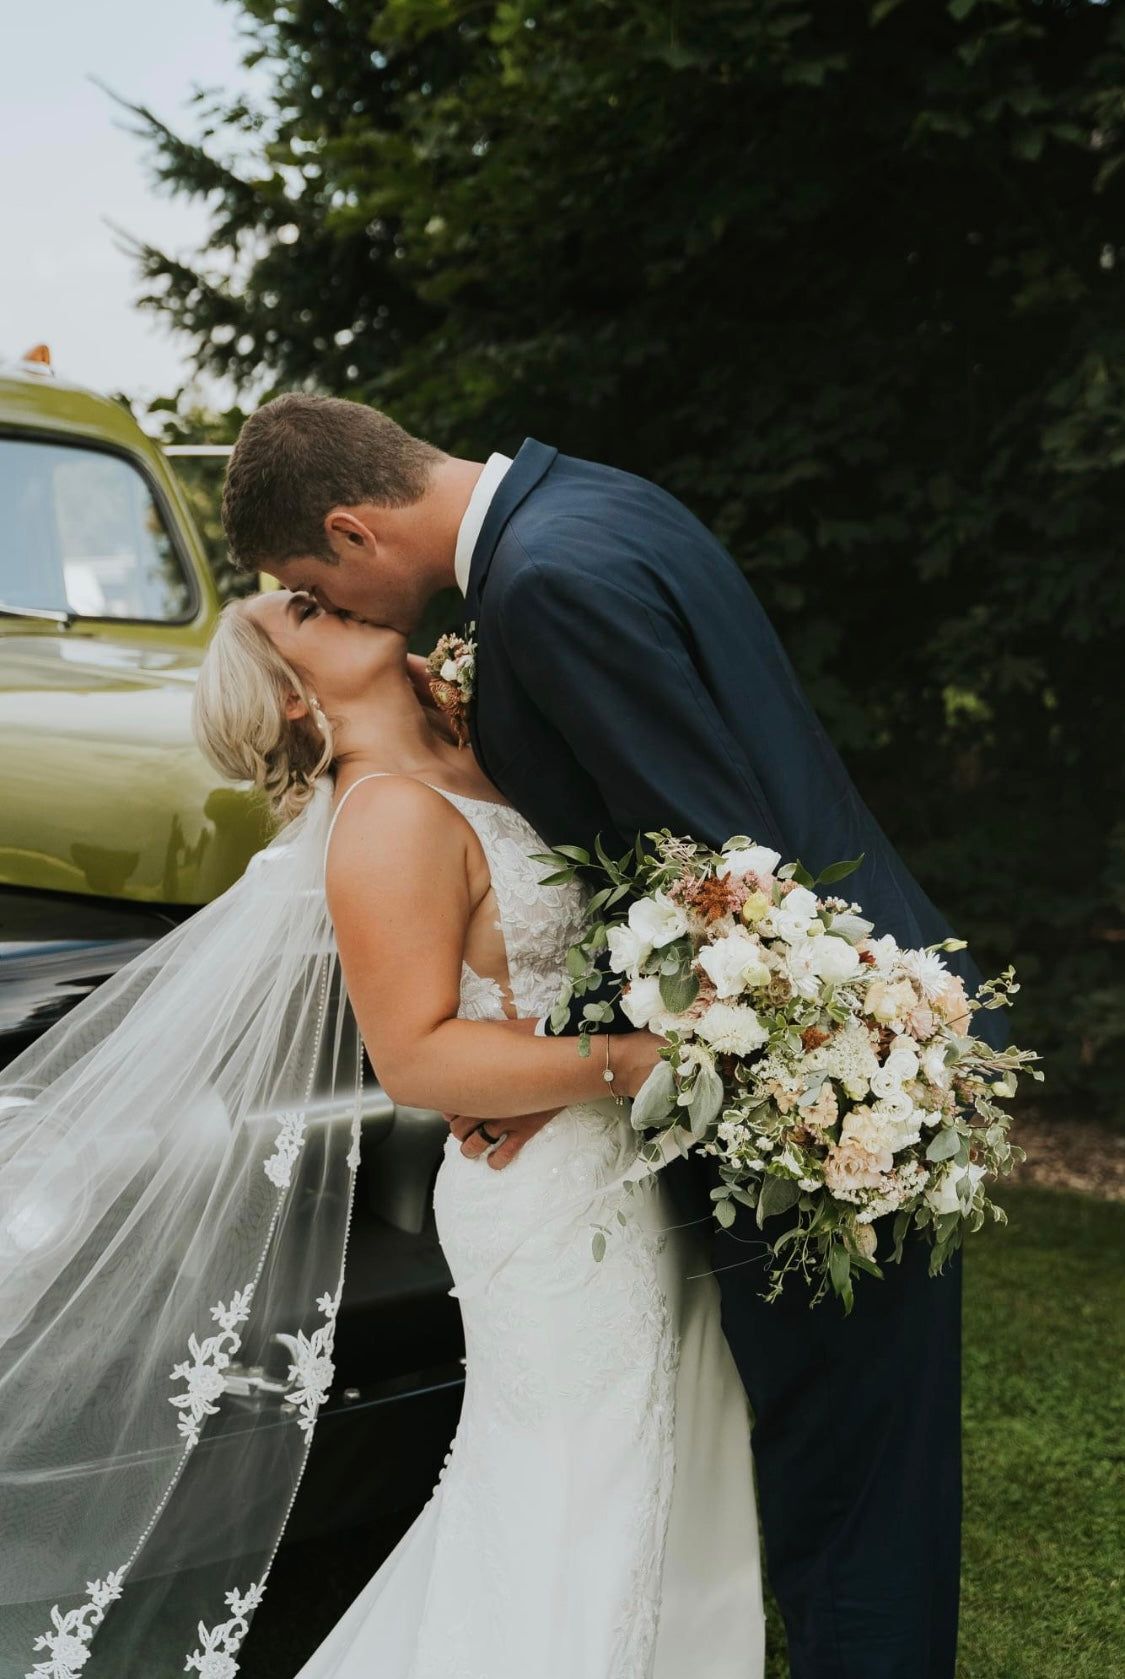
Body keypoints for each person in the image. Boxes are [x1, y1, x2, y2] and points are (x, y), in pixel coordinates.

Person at [219, 393, 1007, 1679]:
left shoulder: (541, 588)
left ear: (352, 531)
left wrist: (583, 1049)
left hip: (806, 1082)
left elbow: (704, 860)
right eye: (306, 613)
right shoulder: (593, 504)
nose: (344, 610)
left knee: (835, 1496)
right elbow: (633, 881)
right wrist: (563, 1051)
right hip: (698, 1123)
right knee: (757, 1490)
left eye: (315, 586)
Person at [192, 590, 765, 1677]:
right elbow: (413, 1056)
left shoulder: (467, 746)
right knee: (570, 1484)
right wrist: (629, 1061)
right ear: (290, 692)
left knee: (660, 1447)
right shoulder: (387, 816)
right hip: (543, 1199)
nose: (342, 598)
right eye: (307, 607)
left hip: (617, 1165)